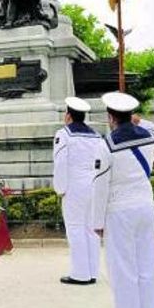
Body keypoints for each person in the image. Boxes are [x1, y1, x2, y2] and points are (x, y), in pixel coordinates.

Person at [92, 92, 154, 308]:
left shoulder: (106, 144)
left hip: (120, 211)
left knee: (123, 271)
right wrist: (139, 121)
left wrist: (97, 223)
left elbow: (100, 186)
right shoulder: (150, 137)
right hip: (146, 207)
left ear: (110, 117)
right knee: (147, 269)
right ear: (130, 116)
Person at [52, 97, 106, 286]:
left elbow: (61, 164)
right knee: (91, 230)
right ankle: (92, 272)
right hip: (94, 185)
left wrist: (60, 188)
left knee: (75, 228)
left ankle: (80, 273)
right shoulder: (97, 136)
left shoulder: (64, 135)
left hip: (74, 187)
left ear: (68, 116)